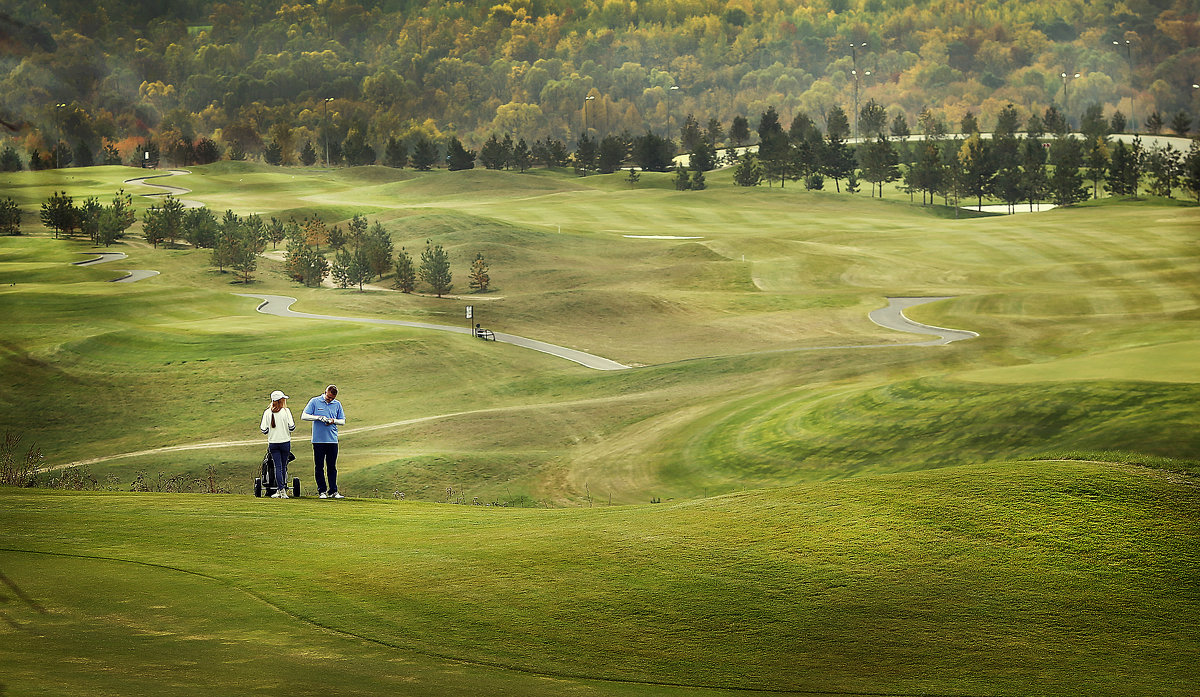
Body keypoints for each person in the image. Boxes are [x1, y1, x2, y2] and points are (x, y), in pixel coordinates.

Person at [303, 384, 346, 499]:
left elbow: (342, 421)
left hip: (332, 440)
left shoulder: (337, 404)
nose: (330, 399)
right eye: (328, 397)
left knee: (332, 466)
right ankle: (322, 491)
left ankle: (333, 491)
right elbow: (304, 416)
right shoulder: (315, 401)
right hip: (318, 440)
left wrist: (333, 421)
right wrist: (318, 418)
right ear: (325, 393)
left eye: (332, 398)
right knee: (319, 466)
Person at [260, 390, 296, 499]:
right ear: (281, 400)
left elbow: (264, 430)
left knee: (277, 467)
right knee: (283, 466)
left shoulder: (267, 412)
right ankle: (282, 489)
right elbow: (292, 427)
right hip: (285, 442)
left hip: (273, 443)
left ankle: (279, 490)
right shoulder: (286, 411)